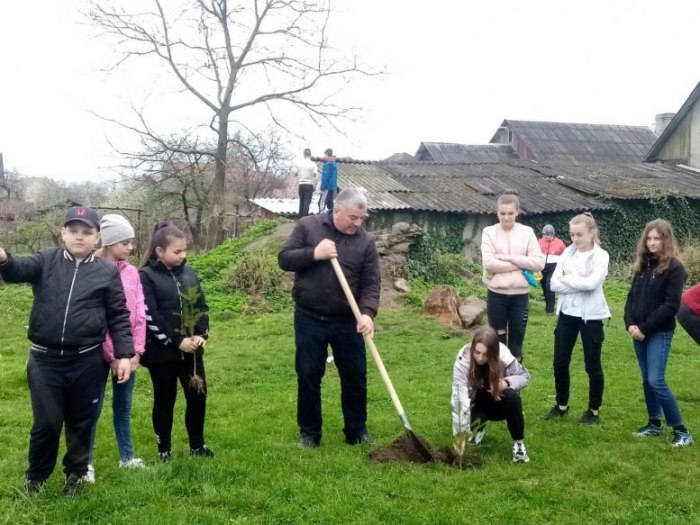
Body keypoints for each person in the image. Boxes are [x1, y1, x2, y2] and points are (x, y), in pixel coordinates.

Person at [0, 206, 134, 497]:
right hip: (45, 361)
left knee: (81, 422)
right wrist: (4, 258)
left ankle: (75, 476)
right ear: (63, 232)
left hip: (87, 360)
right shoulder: (46, 260)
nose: (79, 237)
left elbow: (119, 315)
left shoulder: (107, 271)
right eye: (73, 231)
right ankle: (35, 479)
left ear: (97, 237)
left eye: (86, 232)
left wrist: (124, 354)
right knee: (46, 424)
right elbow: (17, 269)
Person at [278, 187, 380, 448]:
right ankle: (310, 433)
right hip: (309, 317)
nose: (357, 224)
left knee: (355, 375)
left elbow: (371, 284)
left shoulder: (365, 242)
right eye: (352, 218)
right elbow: (285, 259)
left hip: (348, 320)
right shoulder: (308, 226)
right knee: (309, 374)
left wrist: (367, 314)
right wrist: (314, 253)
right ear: (336, 210)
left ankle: (356, 431)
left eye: (362, 218)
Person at [139, 222, 212, 461]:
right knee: (165, 400)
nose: (184, 255)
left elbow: (201, 305)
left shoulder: (189, 273)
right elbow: (151, 315)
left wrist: (200, 336)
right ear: (160, 251)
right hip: (162, 354)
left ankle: (197, 446)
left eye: (184, 250)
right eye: (177, 251)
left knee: (197, 396)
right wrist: (176, 341)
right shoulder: (146, 276)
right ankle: (164, 450)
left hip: (191, 351)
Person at [86, 215, 147, 482]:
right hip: (99, 355)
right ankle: (84, 463)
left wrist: (136, 352)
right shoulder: (92, 270)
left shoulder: (132, 272)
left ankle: (127, 457)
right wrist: (114, 355)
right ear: (110, 242)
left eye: (132, 241)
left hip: (129, 354)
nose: (131, 247)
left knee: (123, 408)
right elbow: (100, 318)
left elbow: (138, 313)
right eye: (125, 241)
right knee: (92, 409)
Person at [625, 219, 693, 447]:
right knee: (647, 380)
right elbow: (631, 298)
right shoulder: (643, 266)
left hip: (659, 332)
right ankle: (654, 424)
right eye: (649, 238)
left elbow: (671, 306)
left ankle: (681, 431)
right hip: (638, 332)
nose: (652, 243)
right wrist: (630, 324)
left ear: (666, 240)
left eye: (657, 238)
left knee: (656, 380)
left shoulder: (675, 268)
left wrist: (644, 328)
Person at [542, 213, 610, 425]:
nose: (575, 238)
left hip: (591, 317)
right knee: (560, 362)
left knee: (592, 365)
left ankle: (593, 411)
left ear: (591, 232)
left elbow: (592, 285)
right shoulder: (566, 255)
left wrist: (568, 280)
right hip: (567, 315)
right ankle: (561, 405)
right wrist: (578, 281)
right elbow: (553, 285)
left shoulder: (601, 256)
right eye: (572, 234)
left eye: (579, 234)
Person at [481, 192, 545, 362]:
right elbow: (489, 263)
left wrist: (509, 259)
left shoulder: (527, 232)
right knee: (497, 345)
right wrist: (522, 264)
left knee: (516, 346)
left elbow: (539, 263)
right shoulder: (489, 232)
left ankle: (514, 387)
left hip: (520, 297)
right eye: (502, 214)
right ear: (497, 213)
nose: (506, 217)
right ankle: (497, 385)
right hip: (497, 296)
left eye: (510, 213)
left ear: (517, 213)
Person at [451, 326, 531, 463]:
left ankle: (518, 443)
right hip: (478, 402)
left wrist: (506, 382)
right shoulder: (463, 361)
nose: (480, 358)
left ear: (493, 353)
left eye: (485, 354)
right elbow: (459, 398)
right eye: (477, 352)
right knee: (471, 410)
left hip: (501, 401)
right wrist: (459, 436)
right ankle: (478, 431)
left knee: (512, 397)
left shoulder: (504, 356)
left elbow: (525, 376)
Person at [538, 224, 567, 315]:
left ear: (553, 235)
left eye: (549, 235)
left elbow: (565, 255)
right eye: (545, 235)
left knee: (549, 286)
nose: (547, 237)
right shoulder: (538, 242)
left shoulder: (560, 243)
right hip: (542, 267)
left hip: (553, 267)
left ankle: (550, 310)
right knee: (544, 286)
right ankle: (548, 306)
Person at [296, 148, 319, 218]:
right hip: (309, 184)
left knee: (301, 201)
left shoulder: (299, 163)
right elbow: (315, 174)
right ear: (310, 155)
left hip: (301, 184)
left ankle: (300, 217)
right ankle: (304, 217)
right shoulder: (313, 164)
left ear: (304, 154)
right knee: (307, 202)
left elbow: (295, 173)